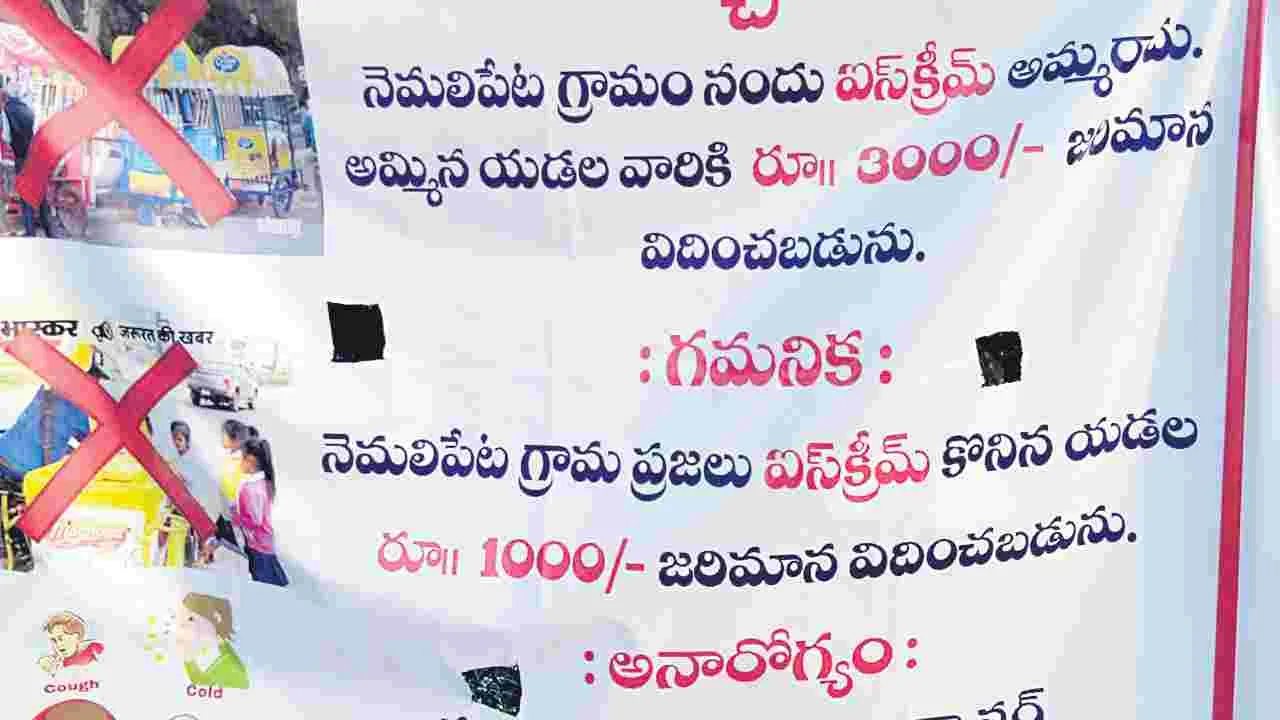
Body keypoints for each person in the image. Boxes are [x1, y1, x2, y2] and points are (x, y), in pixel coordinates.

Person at [0, 76, 55, 237]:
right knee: (40, 193)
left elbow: (6, 136)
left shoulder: (6, 111)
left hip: (21, 157)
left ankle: (30, 232)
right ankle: (49, 230)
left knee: (25, 194)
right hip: (36, 155)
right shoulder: (27, 108)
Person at [229, 437, 288, 587]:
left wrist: (235, 516)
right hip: (263, 545)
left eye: (242, 458)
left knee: (266, 590)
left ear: (251, 460)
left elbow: (255, 521)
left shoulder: (251, 488)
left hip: (258, 547)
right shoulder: (264, 483)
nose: (239, 462)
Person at [177, 593, 249, 689]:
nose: (183, 625)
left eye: (191, 619)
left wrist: (188, 659)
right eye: (181, 618)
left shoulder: (222, 658)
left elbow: (204, 684)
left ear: (216, 618)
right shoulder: (207, 651)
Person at [37, 612, 104, 675]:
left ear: (76, 636)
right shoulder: (59, 663)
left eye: (61, 639)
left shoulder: (94, 649)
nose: (58, 644)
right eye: (54, 641)